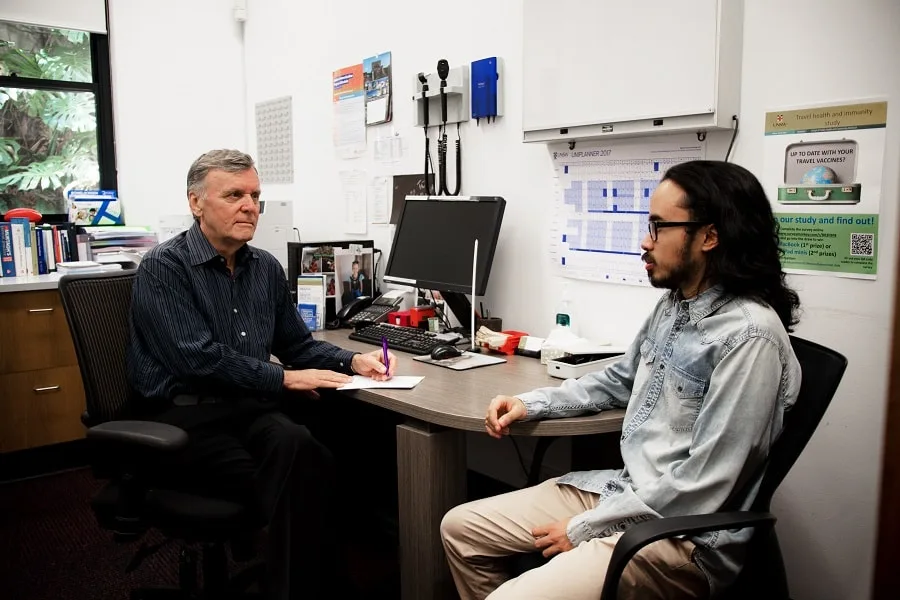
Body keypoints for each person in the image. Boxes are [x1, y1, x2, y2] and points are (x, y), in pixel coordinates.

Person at [440, 160, 802, 600]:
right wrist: (532, 403)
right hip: (626, 493)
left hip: (680, 536)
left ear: (709, 236)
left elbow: (705, 484)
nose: (644, 243)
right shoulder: (675, 305)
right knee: (460, 529)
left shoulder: (750, 337)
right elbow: (618, 379)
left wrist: (584, 527)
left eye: (657, 227)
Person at [126, 149, 397, 600]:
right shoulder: (164, 268)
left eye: (255, 195)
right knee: (304, 465)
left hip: (244, 408)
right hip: (180, 415)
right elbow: (197, 359)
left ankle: (317, 581)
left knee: (343, 436)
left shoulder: (265, 268)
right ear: (196, 203)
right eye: (234, 195)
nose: (250, 206)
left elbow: (297, 345)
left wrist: (352, 361)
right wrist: (286, 379)